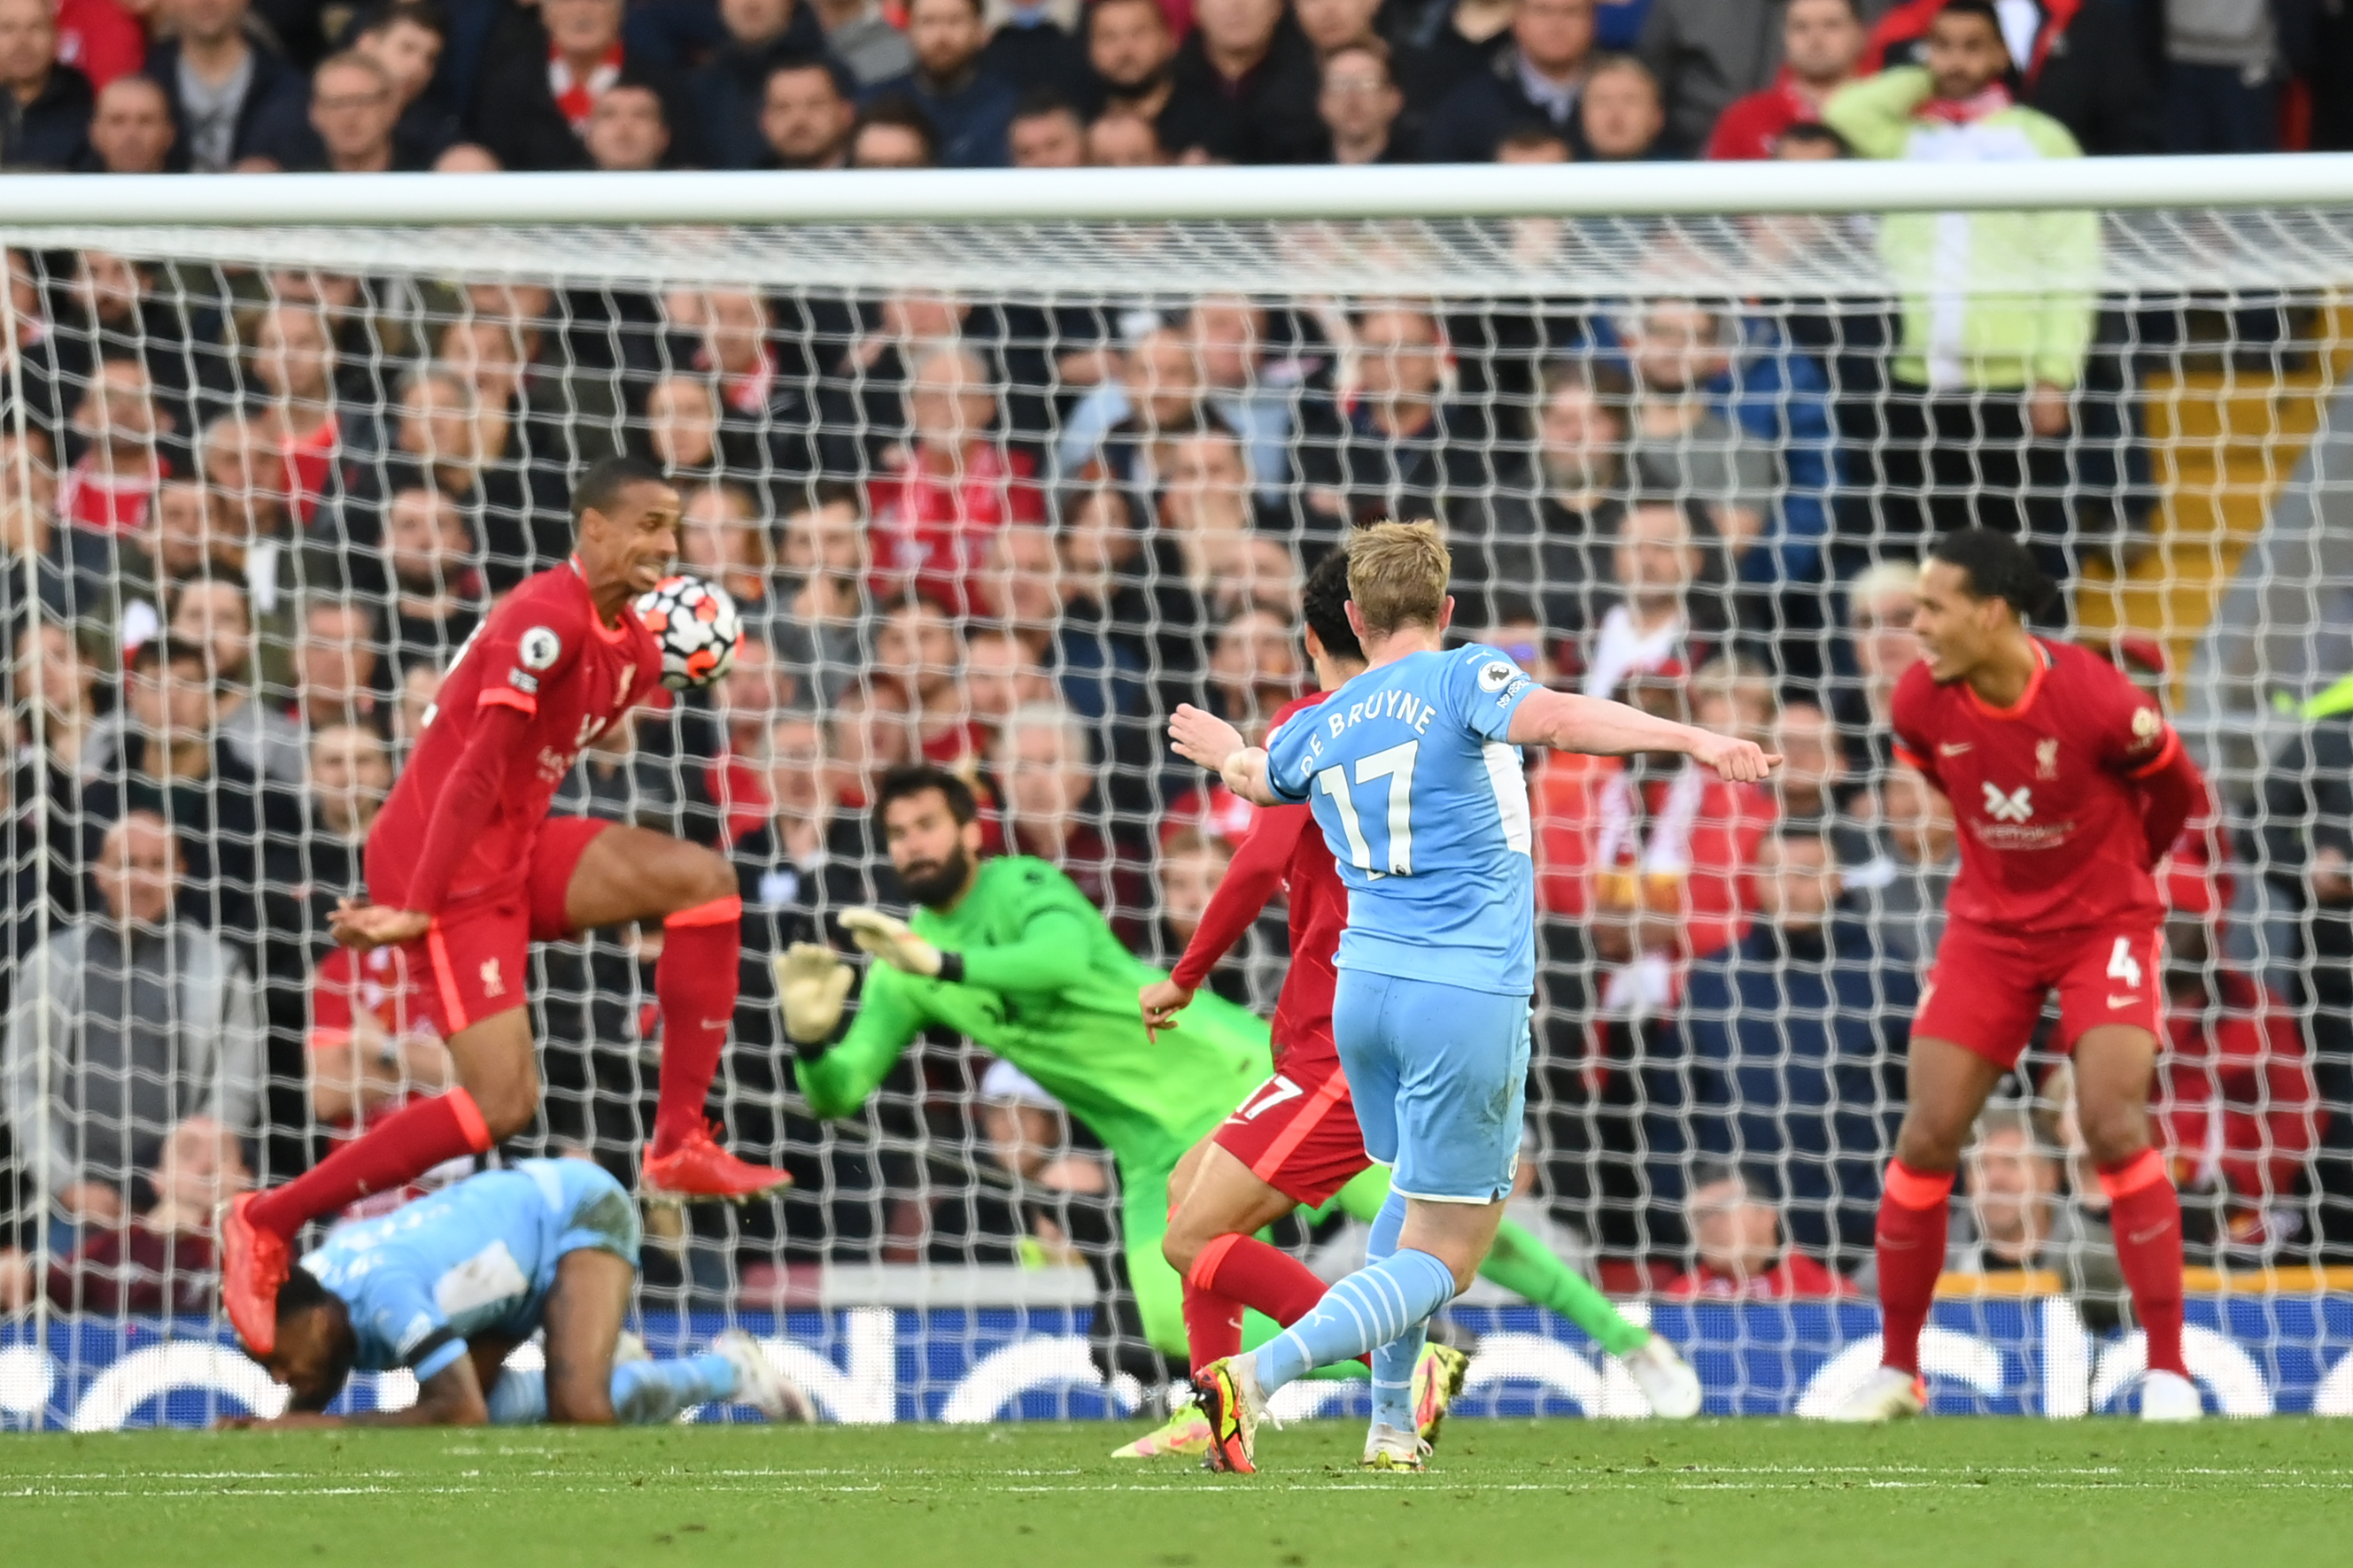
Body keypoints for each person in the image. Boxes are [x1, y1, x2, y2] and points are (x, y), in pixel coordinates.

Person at [1166, 519, 1774, 1472]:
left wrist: (1223, 750)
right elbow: (1566, 719)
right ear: (1444, 612)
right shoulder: (1463, 676)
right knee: (1444, 1253)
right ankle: (1261, 1372)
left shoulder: (1320, 720)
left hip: (1361, 998)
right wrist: (1688, 734)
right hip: (1463, 997)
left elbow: (1255, 778)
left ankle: (1388, 1428)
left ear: (1354, 621)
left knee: (1407, 1199)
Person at [220, 457, 793, 1358]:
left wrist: (675, 656)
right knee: (501, 1104)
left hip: (517, 840)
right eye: (645, 524)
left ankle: (679, 1139)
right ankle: (266, 1217)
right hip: (443, 867)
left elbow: (585, 719)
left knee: (704, 883)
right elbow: (472, 768)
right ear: (592, 529)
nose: (665, 544)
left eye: (672, 526)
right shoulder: (541, 618)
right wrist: (411, 903)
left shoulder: (628, 642)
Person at [1827, 528, 2210, 1424]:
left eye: (1929, 606)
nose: (1912, 624)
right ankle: (1896, 1370)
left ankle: (2166, 1372)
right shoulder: (1919, 702)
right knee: (1926, 1131)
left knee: (2112, 1120)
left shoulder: (2093, 697)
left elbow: (2175, 791)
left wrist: (2124, 873)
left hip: (2101, 927)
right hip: (1988, 930)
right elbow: (1952, 789)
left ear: (1988, 613)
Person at [1823, 0, 2097, 583]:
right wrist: (1924, 75)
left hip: (2009, 385)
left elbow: (2072, 264)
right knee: (1924, 554)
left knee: (2017, 557)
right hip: (1915, 383)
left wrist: (2054, 372)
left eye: (1972, 46)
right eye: (1941, 45)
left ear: (2001, 55)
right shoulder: (1906, 139)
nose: (1955, 60)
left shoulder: (2041, 141)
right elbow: (1844, 111)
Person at [233, 1160, 810, 1427]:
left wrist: (321, 1427)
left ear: (315, 1318)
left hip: (573, 1211)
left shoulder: (386, 1292)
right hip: (498, 1276)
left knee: (580, 1411)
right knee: (500, 1415)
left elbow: (457, 1410)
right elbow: (320, 1366)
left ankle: (731, 1370)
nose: (281, 1376)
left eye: (278, 1361)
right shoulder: (314, 1289)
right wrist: (277, 1426)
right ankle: (609, 1358)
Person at [4, 810, 263, 1232]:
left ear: (179, 874)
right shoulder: (52, 963)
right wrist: (66, 1183)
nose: (141, 880)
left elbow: (236, 1088)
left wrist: (183, 1183)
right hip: (71, 1209)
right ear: (99, 873)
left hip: (184, 1211)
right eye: (127, 864)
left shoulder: (221, 967)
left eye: (157, 865)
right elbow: (22, 1081)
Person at [1704, 0, 1867, 160]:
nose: (1815, 39)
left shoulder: (1886, 114)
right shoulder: (1743, 120)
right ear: (1784, 36)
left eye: (1831, 25)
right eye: (1800, 27)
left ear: (1860, 33)